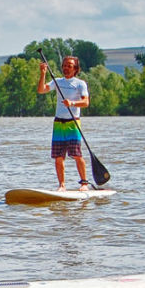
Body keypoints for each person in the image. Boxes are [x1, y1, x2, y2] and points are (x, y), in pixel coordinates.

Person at [37, 55, 90, 191]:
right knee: (59, 157)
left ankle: (84, 183)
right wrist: (43, 73)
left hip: (73, 123)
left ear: (75, 69)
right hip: (58, 123)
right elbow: (41, 90)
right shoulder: (57, 81)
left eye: (69, 66)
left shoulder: (80, 84)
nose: (66, 68)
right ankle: (62, 185)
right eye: (64, 65)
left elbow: (85, 102)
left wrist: (72, 103)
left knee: (77, 155)